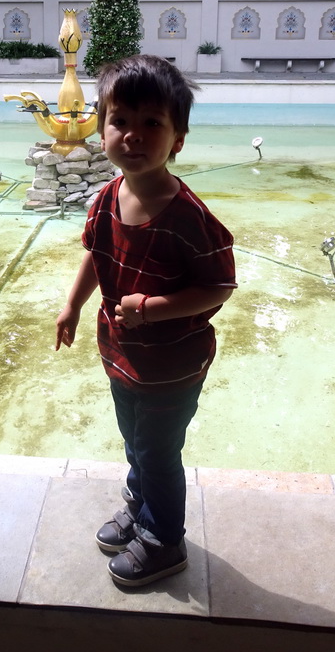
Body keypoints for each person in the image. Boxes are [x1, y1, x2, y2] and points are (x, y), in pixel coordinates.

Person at [55, 54, 237, 587]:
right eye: (121, 121)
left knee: (159, 450)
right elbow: (96, 252)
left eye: (151, 123)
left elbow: (218, 286)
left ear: (177, 139)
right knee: (135, 439)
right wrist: (73, 304)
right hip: (122, 354)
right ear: (102, 127)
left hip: (173, 363)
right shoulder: (107, 197)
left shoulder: (189, 219)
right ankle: (140, 504)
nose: (133, 136)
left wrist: (151, 307)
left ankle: (164, 539)